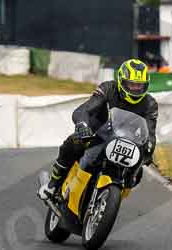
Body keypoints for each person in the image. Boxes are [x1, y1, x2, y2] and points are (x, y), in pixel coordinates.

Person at [39, 58, 158, 200]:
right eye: (131, 84)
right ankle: (53, 184)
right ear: (121, 80)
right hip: (98, 133)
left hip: (127, 142)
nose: (135, 89)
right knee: (73, 142)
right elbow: (84, 109)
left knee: (138, 173)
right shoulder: (108, 88)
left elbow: (150, 133)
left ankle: (113, 197)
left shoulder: (150, 104)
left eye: (139, 86)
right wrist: (83, 125)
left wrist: (148, 149)